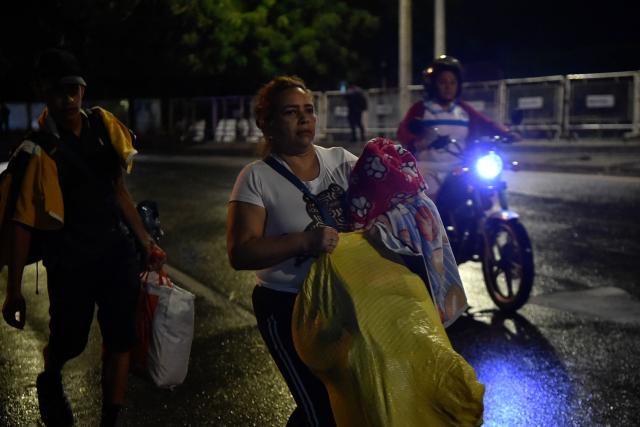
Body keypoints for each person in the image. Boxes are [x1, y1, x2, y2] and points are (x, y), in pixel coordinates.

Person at [1, 48, 166, 426]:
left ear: (83, 90)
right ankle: (50, 373)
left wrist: (145, 241)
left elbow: (118, 191)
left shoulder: (103, 125)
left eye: (74, 90)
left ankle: (111, 418)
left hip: (116, 254)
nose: (69, 99)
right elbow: (22, 223)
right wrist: (13, 290)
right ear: (43, 91)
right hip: (71, 262)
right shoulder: (37, 149)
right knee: (70, 341)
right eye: (60, 91)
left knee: (122, 339)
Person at [226, 75, 358, 426]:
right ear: (266, 123)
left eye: (309, 111)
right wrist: (305, 241)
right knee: (319, 406)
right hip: (287, 306)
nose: (304, 119)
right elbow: (241, 253)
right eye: (290, 112)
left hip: (344, 300)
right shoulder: (256, 178)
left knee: (349, 397)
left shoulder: (341, 161)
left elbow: (385, 191)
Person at [396, 55, 520, 199]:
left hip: (459, 168)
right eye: (443, 82)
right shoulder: (421, 109)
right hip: (428, 169)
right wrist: (414, 139)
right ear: (433, 84)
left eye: (453, 82)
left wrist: (508, 133)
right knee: (430, 213)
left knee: (479, 197)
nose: (448, 87)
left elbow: (486, 123)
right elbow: (403, 131)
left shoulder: (463, 110)